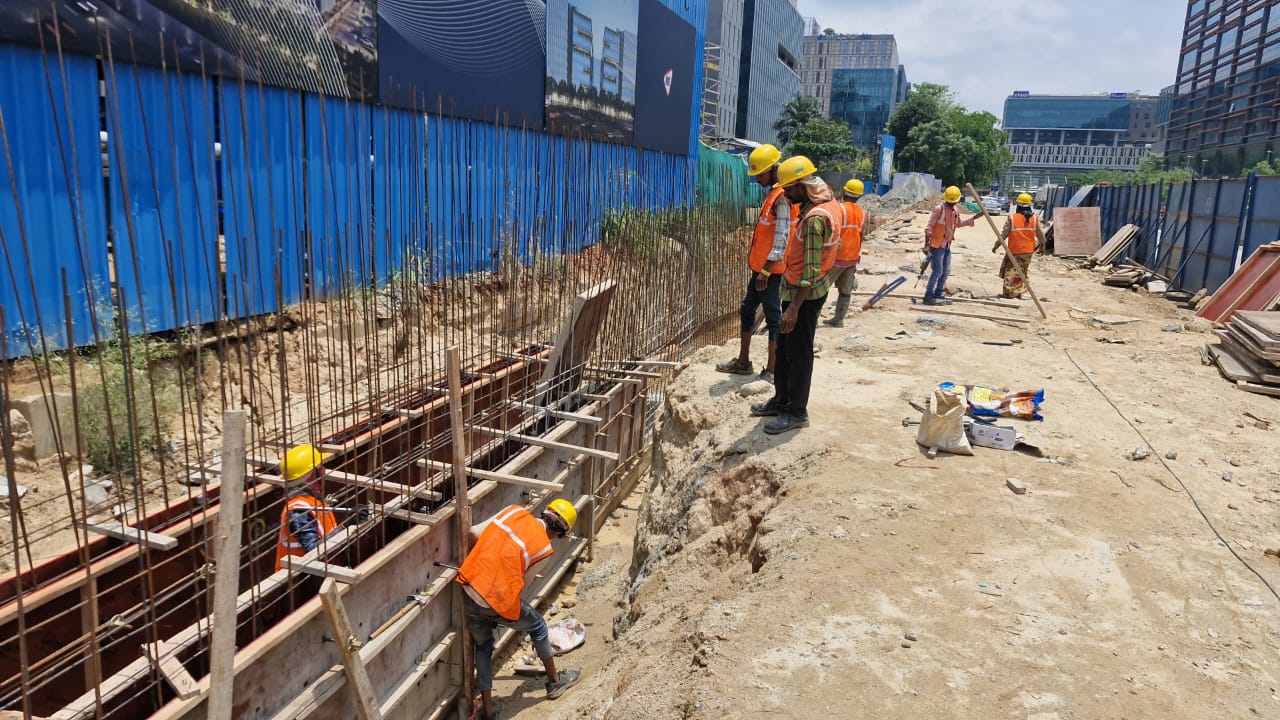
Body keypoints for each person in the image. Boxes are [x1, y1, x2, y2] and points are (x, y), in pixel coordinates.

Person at [458, 499, 582, 720]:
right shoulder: (545, 549)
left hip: (470, 586)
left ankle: (488, 712)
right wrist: (499, 609)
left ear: (545, 512)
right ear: (558, 533)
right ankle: (555, 682)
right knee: (538, 626)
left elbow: (474, 532)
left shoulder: (513, 511)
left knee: (483, 646)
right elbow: (521, 584)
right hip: (496, 600)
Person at [750, 156, 843, 434]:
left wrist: (793, 308)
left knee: (799, 353)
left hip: (805, 296)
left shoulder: (815, 219)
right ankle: (782, 400)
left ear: (803, 185)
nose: (786, 196)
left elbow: (810, 270)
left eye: (789, 190)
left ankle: (797, 412)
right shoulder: (824, 200)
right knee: (784, 348)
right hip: (800, 290)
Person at [716, 144, 797, 382]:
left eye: (760, 174)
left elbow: (782, 238)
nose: (757, 178)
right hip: (760, 269)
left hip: (769, 272)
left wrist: (766, 271)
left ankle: (771, 371)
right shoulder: (772, 194)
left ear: (772, 170)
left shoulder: (782, 198)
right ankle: (743, 362)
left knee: (773, 319)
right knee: (747, 309)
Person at [274, 444, 340, 572]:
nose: (324, 471)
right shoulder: (298, 510)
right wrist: (345, 527)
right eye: (320, 468)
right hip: (297, 580)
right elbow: (313, 550)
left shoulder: (312, 501)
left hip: (316, 573)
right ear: (312, 476)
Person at [922, 186, 977, 305]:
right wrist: (926, 245)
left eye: (954, 202)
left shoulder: (955, 210)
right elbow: (929, 228)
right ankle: (928, 296)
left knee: (946, 271)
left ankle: (938, 294)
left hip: (946, 245)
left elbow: (958, 224)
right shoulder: (939, 209)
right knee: (937, 271)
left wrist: (972, 219)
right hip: (937, 245)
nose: (952, 204)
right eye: (950, 202)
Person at [823, 178, 867, 328]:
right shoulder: (862, 213)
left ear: (844, 192)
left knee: (821, 289)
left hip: (836, 257)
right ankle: (839, 319)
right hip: (852, 258)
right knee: (846, 291)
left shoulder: (839, 209)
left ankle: (812, 319)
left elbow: (831, 232)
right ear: (859, 196)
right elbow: (861, 236)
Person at [992, 192, 1046, 298]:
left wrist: (996, 245)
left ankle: (1009, 293)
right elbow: (1041, 236)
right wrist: (1042, 247)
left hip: (1015, 251)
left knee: (1010, 273)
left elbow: (1003, 235)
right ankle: (1018, 292)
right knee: (1022, 272)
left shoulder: (1012, 218)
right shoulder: (1035, 218)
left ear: (1018, 205)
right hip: (1028, 252)